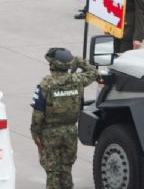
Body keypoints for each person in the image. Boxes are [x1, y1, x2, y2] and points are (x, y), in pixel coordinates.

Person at [30, 48, 98, 189]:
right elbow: (93, 72)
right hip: (70, 131)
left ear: (52, 66)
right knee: (66, 168)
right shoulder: (78, 80)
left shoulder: (46, 84)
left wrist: (35, 133)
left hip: (50, 133)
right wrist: (79, 61)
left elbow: (38, 113)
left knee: (52, 171)